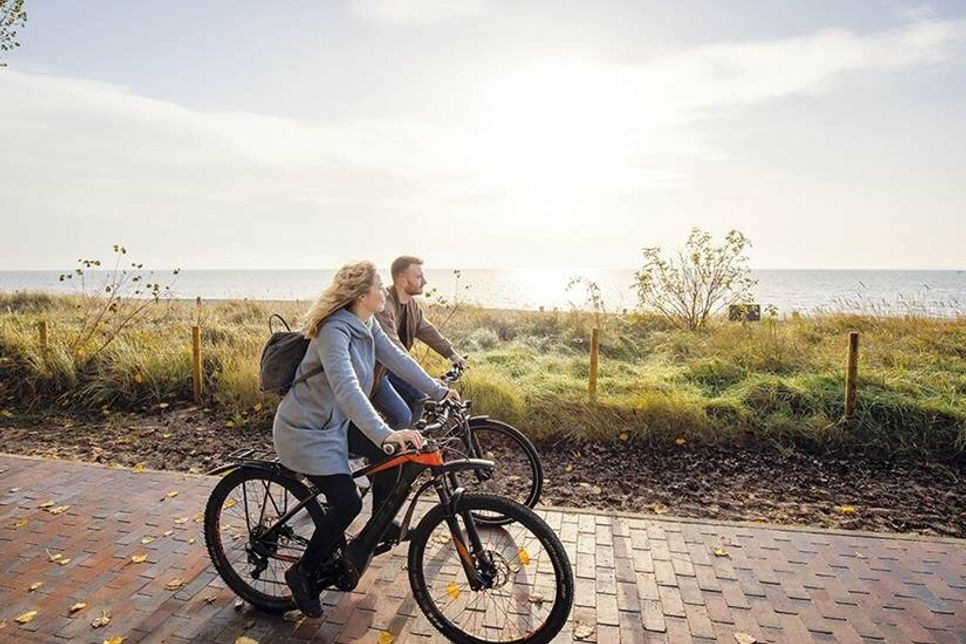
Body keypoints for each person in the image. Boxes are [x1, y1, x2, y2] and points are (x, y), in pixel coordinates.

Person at [272, 260, 459, 618]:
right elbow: (347, 389)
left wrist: (438, 391)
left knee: (391, 458)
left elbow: (398, 359)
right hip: (306, 431)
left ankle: (379, 526)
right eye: (378, 286)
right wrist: (386, 432)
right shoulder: (333, 332)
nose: (383, 292)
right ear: (362, 295)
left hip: (336, 424)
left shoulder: (366, 322)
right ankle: (302, 573)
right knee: (346, 504)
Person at [370, 255, 466, 429]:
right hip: (375, 373)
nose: (425, 281)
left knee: (418, 398)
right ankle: (390, 444)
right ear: (402, 280)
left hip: (392, 369)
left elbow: (427, 330)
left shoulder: (411, 305)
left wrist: (452, 354)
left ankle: (409, 440)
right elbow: (395, 351)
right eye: (419, 277)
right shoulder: (384, 307)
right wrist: (431, 384)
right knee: (402, 415)